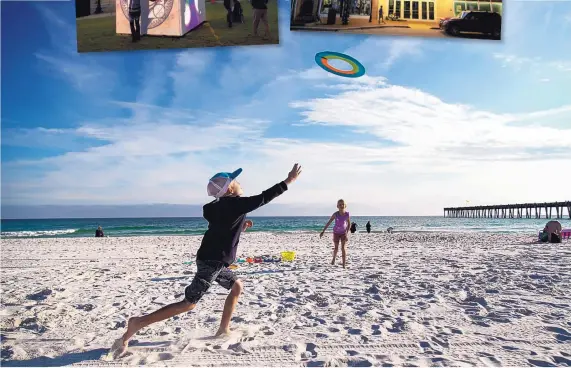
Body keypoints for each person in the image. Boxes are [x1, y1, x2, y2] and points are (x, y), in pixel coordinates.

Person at [109, 163, 302, 359]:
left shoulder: (214, 208)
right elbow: (263, 197)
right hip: (213, 261)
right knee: (189, 303)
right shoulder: (236, 204)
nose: (240, 183)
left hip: (212, 259)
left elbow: (222, 224)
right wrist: (288, 181)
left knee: (236, 287)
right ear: (229, 188)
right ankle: (137, 323)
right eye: (236, 181)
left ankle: (223, 329)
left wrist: (240, 226)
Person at [319, 199, 350, 269]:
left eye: (343, 204)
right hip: (336, 233)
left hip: (343, 233)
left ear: (345, 205)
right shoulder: (335, 214)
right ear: (337, 206)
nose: (341, 205)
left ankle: (344, 264)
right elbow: (329, 222)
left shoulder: (347, 214)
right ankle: (333, 259)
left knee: (343, 248)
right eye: (340, 204)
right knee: (336, 248)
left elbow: (349, 224)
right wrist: (323, 231)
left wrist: (347, 233)